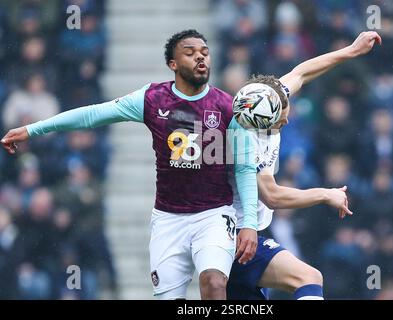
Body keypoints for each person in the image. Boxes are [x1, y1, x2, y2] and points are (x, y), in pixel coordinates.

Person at [1, 29, 259, 300]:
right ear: (172, 64)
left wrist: (249, 224)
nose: (200, 58)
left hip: (214, 215)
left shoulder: (228, 108)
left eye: (205, 52)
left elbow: (244, 168)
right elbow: (93, 114)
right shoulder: (152, 99)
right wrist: (34, 129)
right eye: (190, 52)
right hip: (168, 219)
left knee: (215, 283)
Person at [227, 31, 382, 300]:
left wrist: (351, 51)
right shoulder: (246, 141)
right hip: (237, 236)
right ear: (264, 120)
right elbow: (272, 195)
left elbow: (302, 72)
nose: (286, 122)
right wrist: (326, 194)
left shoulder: (267, 100)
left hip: (246, 234)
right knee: (309, 277)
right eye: (281, 119)